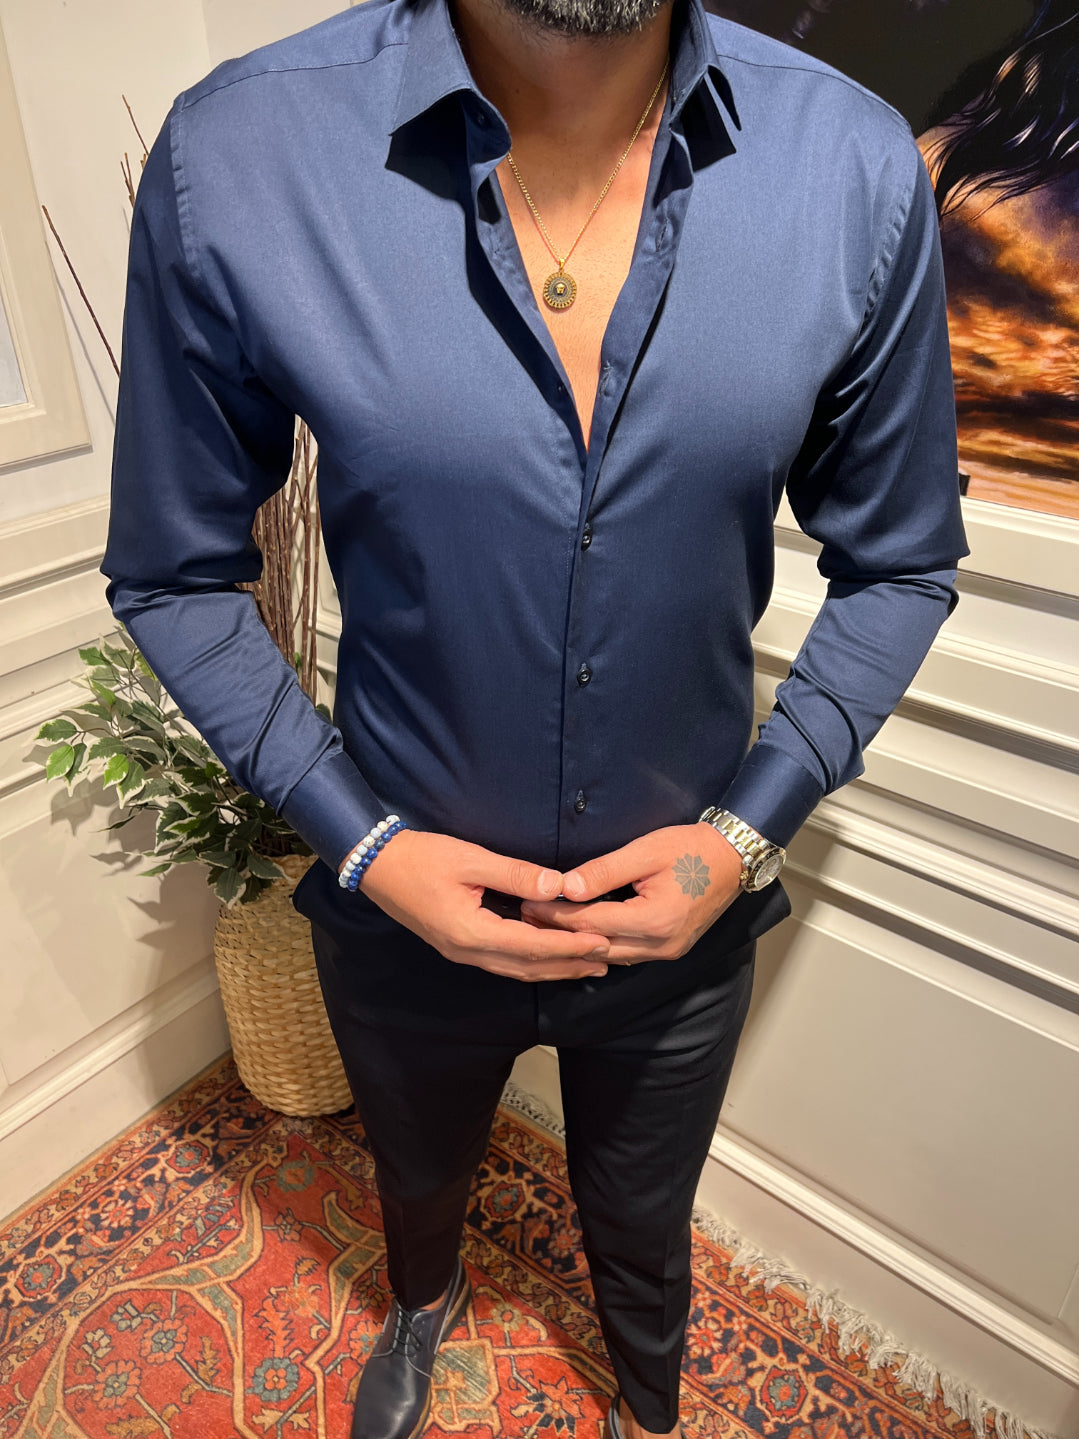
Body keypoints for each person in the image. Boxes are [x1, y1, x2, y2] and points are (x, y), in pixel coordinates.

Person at [100, 0, 970, 1433]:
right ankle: (423, 1302)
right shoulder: (243, 154)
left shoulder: (854, 169)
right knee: (416, 1170)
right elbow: (172, 574)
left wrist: (743, 840)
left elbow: (903, 562)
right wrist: (365, 846)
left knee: (646, 1209)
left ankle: (648, 1396)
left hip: (682, 919)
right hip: (399, 904)